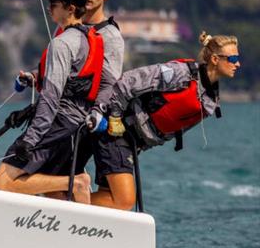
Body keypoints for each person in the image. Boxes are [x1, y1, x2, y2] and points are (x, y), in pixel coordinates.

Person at [85, 31, 240, 210]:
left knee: (109, 197)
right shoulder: (180, 74)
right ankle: (63, 203)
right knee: (123, 201)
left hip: (133, 143)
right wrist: (114, 116)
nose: (238, 63)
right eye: (233, 58)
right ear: (215, 59)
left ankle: (65, 203)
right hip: (116, 131)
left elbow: (169, 130)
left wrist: (142, 145)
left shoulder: (210, 100)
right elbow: (127, 81)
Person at [0, 0, 99, 203]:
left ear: (70, 8)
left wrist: (30, 139)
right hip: (75, 126)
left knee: (2, 183)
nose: (49, 7)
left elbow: (51, 98)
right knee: (54, 195)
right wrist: (34, 77)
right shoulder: (88, 39)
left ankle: (77, 181)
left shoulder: (61, 44)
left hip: (57, 124)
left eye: (54, 3)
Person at [72, 0, 127, 205]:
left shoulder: (111, 36)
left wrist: (96, 112)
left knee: (120, 197)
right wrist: (34, 76)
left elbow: (111, 83)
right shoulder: (70, 26)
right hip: (68, 113)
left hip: (95, 120)